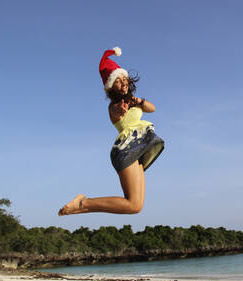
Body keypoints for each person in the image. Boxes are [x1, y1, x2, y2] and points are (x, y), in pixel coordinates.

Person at [58, 47, 164, 216]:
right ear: (111, 86)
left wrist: (138, 101)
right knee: (132, 205)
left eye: (125, 79)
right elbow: (116, 112)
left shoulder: (133, 101)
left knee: (137, 206)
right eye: (118, 81)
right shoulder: (114, 106)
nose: (123, 83)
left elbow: (152, 108)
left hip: (139, 149)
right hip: (126, 150)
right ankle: (83, 202)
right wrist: (121, 111)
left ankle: (82, 204)